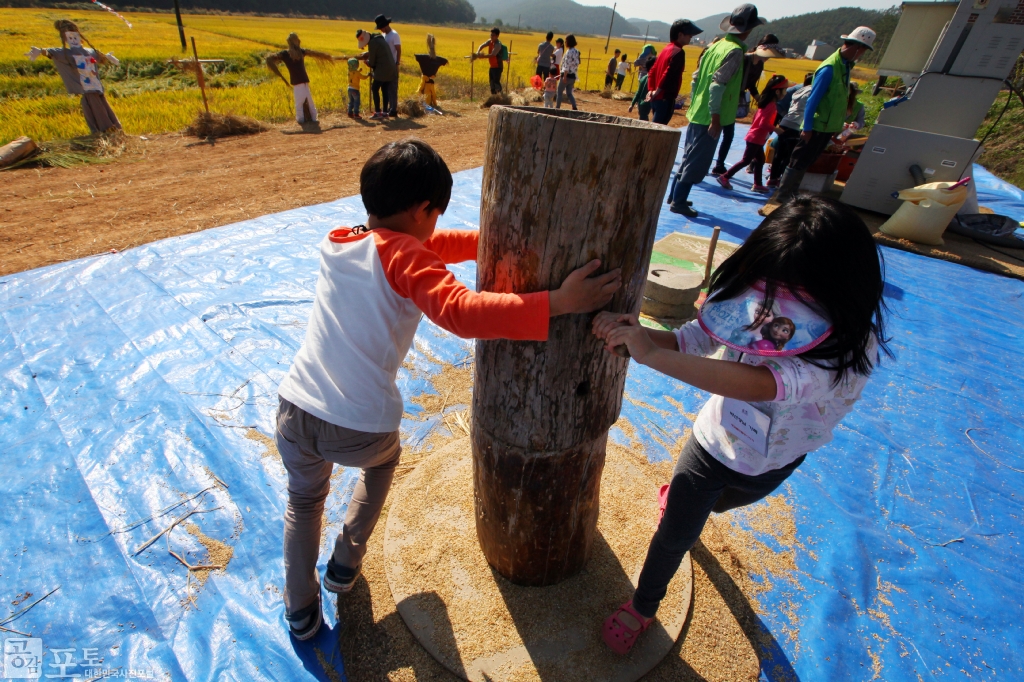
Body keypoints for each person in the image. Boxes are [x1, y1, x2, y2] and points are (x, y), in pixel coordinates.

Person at [277, 138, 623, 640]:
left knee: (302, 504)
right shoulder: (406, 260)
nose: (437, 225)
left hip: (294, 408)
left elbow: (417, 246)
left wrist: (487, 241)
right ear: (423, 210)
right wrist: (560, 301)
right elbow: (461, 311)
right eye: (435, 214)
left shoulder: (342, 236)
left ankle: (300, 607)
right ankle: (346, 562)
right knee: (381, 463)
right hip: (357, 424)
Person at [593, 194, 890, 655]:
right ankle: (643, 606)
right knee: (676, 535)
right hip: (711, 445)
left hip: (773, 462)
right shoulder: (759, 303)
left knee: (725, 504)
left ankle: (691, 505)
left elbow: (762, 383)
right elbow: (692, 338)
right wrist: (641, 337)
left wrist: (652, 356)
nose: (767, 314)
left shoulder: (843, 353)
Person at [667, 4, 766, 218]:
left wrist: (698, 104)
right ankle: (679, 201)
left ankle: (675, 196)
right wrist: (716, 118)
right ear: (748, 30)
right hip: (710, 116)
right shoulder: (734, 51)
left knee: (688, 157)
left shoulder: (715, 46)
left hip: (698, 111)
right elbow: (717, 84)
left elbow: (696, 79)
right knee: (697, 162)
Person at [765, 26, 876, 209]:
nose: (861, 54)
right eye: (863, 49)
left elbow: (837, 101)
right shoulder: (830, 69)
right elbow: (813, 99)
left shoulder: (845, 67)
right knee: (799, 159)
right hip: (816, 125)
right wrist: (807, 127)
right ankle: (783, 195)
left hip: (826, 126)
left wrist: (836, 128)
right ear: (855, 47)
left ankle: (791, 192)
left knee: (808, 160)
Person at [27, 20, 122, 134]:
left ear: (80, 38)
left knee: (101, 108)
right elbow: (51, 52)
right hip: (86, 88)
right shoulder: (66, 53)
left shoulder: (89, 51)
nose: (74, 40)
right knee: (93, 109)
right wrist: (40, 51)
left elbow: (100, 57)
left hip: (96, 87)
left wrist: (108, 57)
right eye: (70, 38)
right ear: (66, 40)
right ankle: (104, 131)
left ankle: (109, 130)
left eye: (75, 37)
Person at [710, 35, 784, 176]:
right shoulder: (744, 59)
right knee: (716, 130)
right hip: (726, 97)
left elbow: (750, 84)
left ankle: (719, 164)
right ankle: (713, 163)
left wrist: (760, 99)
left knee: (728, 134)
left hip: (735, 100)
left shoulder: (759, 64)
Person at [716, 75, 790, 193]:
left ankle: (758, 184)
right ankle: (724, 177)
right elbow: (762, 123)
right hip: (755, 138)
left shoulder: (766, 103)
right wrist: (776, 129)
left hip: (757, 138)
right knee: (746, 160)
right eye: (785, 90)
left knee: (760, 160)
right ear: (777, 91)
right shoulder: (770, 105)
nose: (786, 93)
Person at [267, 33, 341, 126]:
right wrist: (329, 57)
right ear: (297, 41)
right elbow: (315, 53)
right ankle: (313, 119)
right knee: (309, 102)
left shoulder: (286, 54)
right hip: (304, 81)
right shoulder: (299, 52)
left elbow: (270, 58)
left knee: (299, 104)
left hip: (298, 82)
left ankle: (301, 121)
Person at [647, 19, 704, 125]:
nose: (690, 37)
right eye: (689, 35)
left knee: (654, 128)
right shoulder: (678, 52)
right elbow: (668, 73)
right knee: (657, 131)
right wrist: (658, 91)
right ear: (680, 34)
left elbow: (652, 71)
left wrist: (651, 90)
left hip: (656, 99)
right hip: (665, 98)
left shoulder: (666, 49)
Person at [766, 73, 814, 188]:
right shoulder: (812, 92)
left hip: (785, 122)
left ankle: (772, 179)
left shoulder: (798, 90)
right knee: (789, 155)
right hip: (796, 125)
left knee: (779, 153)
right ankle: (782, 179)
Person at [356, 28, 398, 121]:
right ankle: (385, 112)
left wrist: (367, 62)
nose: (366, 45)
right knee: (385, 89)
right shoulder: (379, 38)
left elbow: (373, 62)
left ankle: (378, 112)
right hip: (391, 68)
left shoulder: (373, 43)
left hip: (383, 69)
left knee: (375, 88)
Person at [414, 34, 448, 109]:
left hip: (426, 81)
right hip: (427, 81)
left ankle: (424, 104)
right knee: (426, 94)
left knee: (424, 94)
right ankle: (425, 104)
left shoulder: (424, 59)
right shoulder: (436, 60)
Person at [376, 14, 401, 117]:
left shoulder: (394, 35)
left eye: (381, 27)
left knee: (392, 88)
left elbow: (398, 50)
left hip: (392, 65)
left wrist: (397, 63)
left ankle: (393, 110)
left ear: (385, 25)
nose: (381, 30)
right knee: (386, 88)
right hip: (385, 66)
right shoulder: (385, 35)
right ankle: (388, 109)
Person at [477, 27, 507, 95]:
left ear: (497, 36)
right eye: (491, 35)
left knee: (496, 82)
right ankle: (493, 96)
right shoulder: (490, 41)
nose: (491, 36)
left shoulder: (498, 45)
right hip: (492, 66)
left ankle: (500, 96)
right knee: (491, 82)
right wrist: (478, 52)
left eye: (493, 35)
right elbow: (482, 45)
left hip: (497, 67)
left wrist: (482, 56)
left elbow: (492, 55)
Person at [556, 34, 581, 110]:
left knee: (559, 92)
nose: (565, 43)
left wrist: (564, 76)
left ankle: (557, 108)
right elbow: (578, 62)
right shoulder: (577, 51)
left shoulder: (569, 52)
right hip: (573, 76)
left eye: (566, 41)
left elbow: (567, 65)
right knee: (569, 93)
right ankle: (574, 106)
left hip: (566, 75)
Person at [629, 56, 657, 121]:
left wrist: (632, 104)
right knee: (644, 120)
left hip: (641, 103)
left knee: (642, 118)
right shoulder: (652, 79)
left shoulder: (643, 78)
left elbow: (638, 93)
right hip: (646, 103)